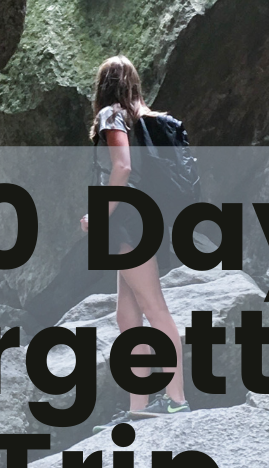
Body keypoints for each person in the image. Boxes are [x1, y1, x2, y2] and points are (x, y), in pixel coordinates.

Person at [80, 55, 190, 432]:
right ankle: (139, 408)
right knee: (128, 317)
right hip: (141, 219)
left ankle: (176, 401)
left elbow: (123, 168)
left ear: (104, 85)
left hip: (127, 221)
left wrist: (99, 215)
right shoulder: (145, 117)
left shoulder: (112, 115)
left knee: (154, 309)